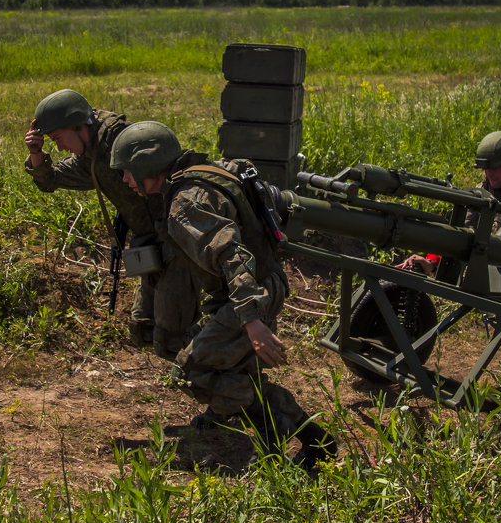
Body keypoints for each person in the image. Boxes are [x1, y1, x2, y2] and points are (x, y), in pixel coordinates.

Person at [109, 121, 335, 473]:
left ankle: (279, 433)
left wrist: (252, 321)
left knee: (193, 370)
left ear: (146, 164)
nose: (125, 181)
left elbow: (231, 254)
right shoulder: (200, 174)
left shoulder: (186, 203)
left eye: (126, 171)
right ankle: (314, 441)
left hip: (249, 295)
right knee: (241, 377)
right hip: (257, 288)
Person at [23, 89, 200, 359]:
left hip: (175, 243)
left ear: (78, 125)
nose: (58, 147)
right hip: (148, 241)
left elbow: (170, 175)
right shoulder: (91, 158)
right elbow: (49, 180)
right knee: (143, 329)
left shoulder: (121, 141)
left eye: (58, 138)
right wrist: (36, 153)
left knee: (171, 335)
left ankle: (215, 371)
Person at [397, 130, 501, 274]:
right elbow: (462, 231)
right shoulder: (486, 191)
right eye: (485, 168)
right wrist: (431, 262)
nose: (489, 174)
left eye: (495, 167)